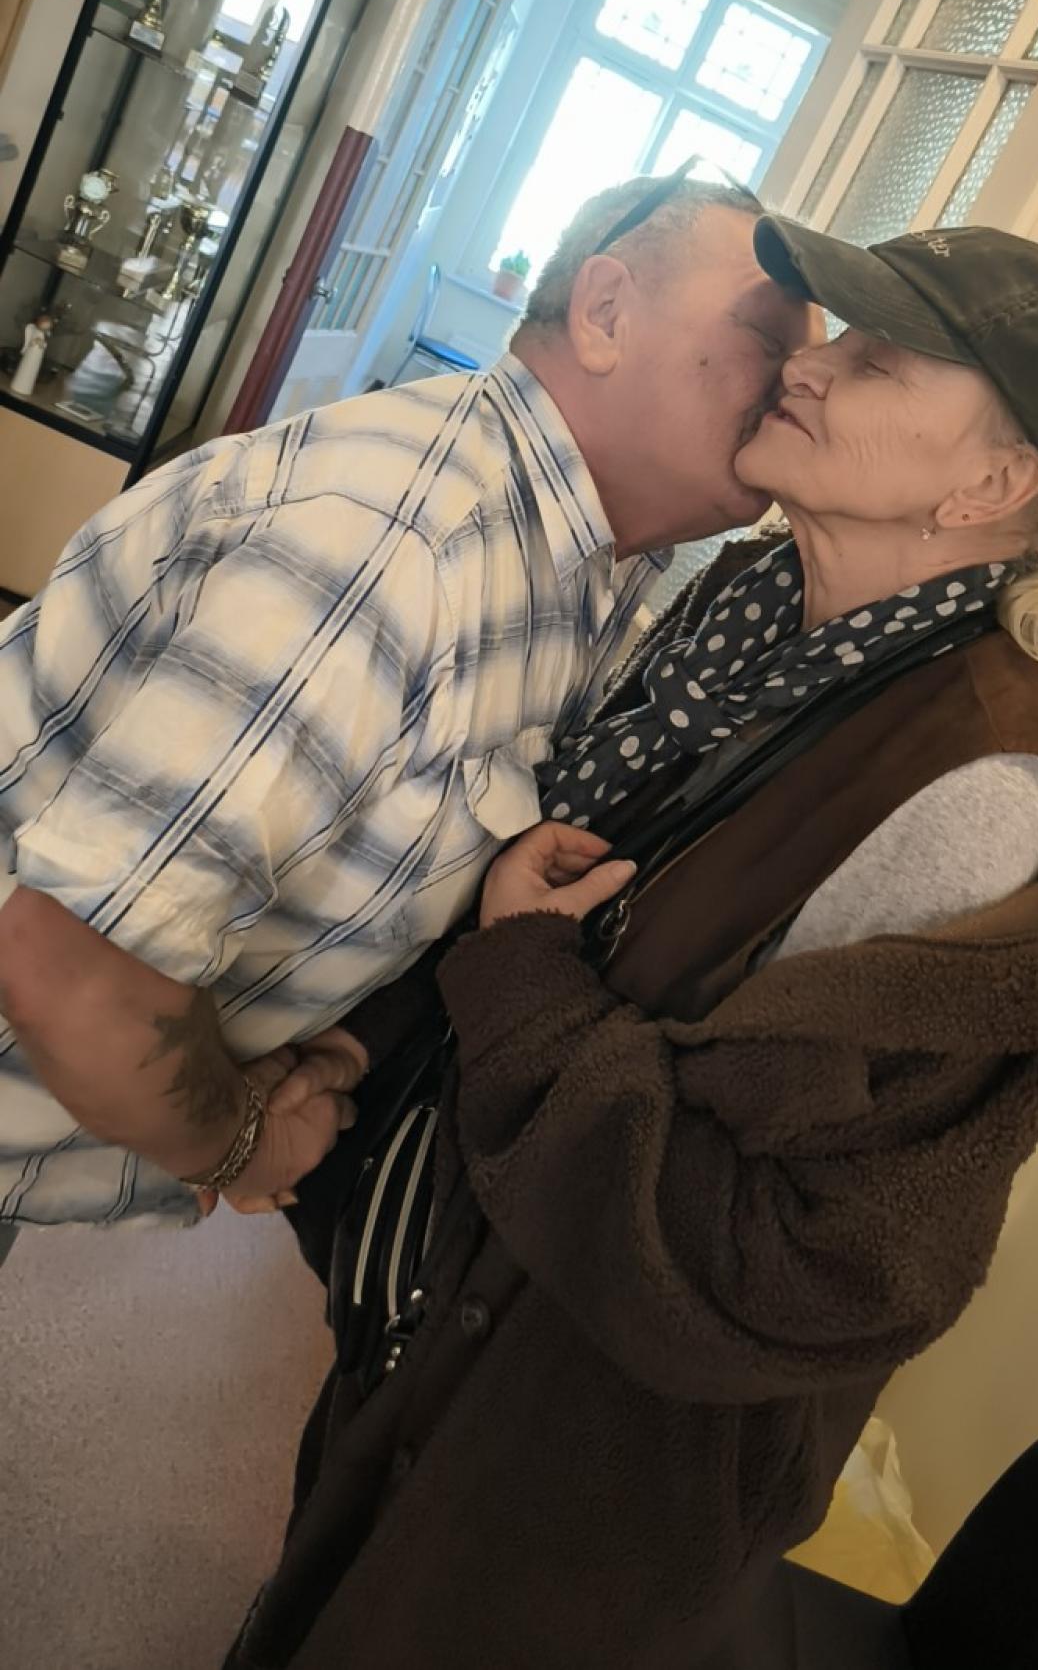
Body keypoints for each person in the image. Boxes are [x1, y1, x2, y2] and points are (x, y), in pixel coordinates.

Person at [225, 223, 1038, 1670]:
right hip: (449, 1310)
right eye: (832, 334)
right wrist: (360, 1056)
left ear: (991, 485)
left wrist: (523, 980)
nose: (809, 364)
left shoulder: (979, 794)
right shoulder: (747, 608)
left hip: (586, 1473)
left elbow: (790, 1264)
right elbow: (569, 874)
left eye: (880, 359)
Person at [0, 166, 815, 1253]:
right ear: (606, 312)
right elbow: (76, 974)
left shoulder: (599, 563)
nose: (805, 380)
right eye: (768, 336)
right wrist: (239, 1144)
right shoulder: (398, 548)